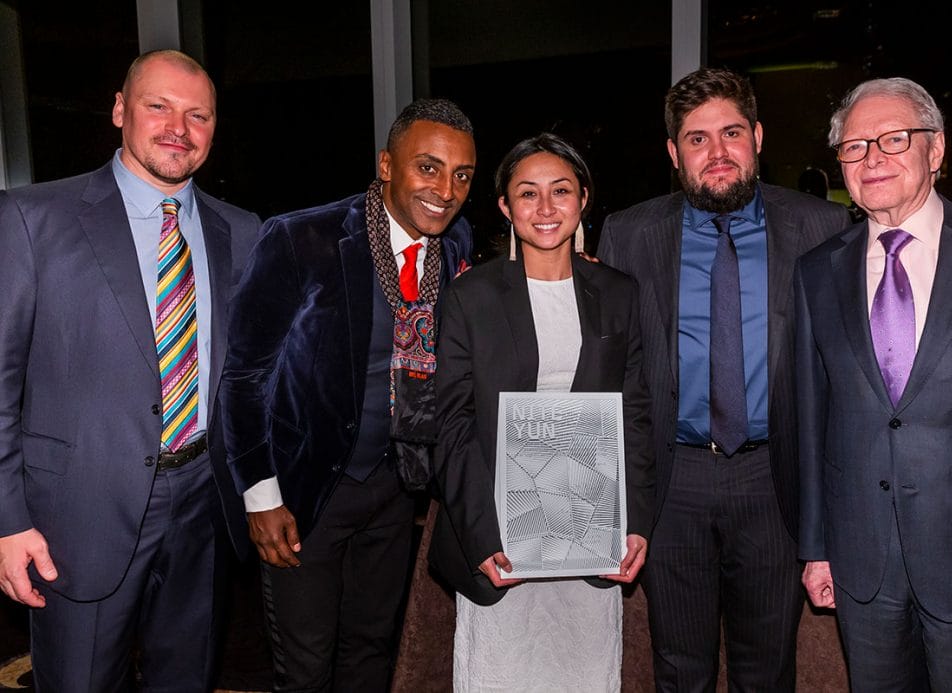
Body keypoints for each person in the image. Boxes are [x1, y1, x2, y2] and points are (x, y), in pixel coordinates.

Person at [0, 50, 260, 691]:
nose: (180, 127)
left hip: (204, 507)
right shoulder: (32, 219)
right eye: (158, 106)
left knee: (188, 678)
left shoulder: (243, 232)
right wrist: (6, 521)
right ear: (120, 109)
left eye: (198, 114)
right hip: (75, 518)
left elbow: (254, 374)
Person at [597, 67, 849, 691]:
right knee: (680, 670)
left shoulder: (822, 227)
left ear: (757, 136)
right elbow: (611, 373)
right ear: (673, 153)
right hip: (673, 483)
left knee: (767, 670)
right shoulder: (628, 234)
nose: (717, 152)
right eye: (697, 138)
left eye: (731, 132)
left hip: (775, 480)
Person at [220, 98, 475, 692]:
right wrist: (260, 497)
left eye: (462, 174)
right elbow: (243, 378)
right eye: (429, 167)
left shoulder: (456, 242)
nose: (446, 188)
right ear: (387, 165)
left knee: (370, 654)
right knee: (305, 668)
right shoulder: (299, 238)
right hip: (305, 495)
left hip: (394, 490)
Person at [796, 76, 952, 692]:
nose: (872, 158)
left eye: (893, 139)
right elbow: (814, 418)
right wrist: (816, 544)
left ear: (935, 151)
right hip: (862, 566)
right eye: (854, 147)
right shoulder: (817, 272)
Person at [427, 133, 655, 692]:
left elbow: (636, 414)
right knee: (501, 675)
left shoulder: (619, 291)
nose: (546, 208)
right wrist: (481, 536)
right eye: (527, 194)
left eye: (560, 191)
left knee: (582, 674)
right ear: (505, 207)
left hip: (589, 529)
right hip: (499, 533)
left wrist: (635, 522)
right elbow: (451, 423)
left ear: (583, 199)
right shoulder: (469, 297)